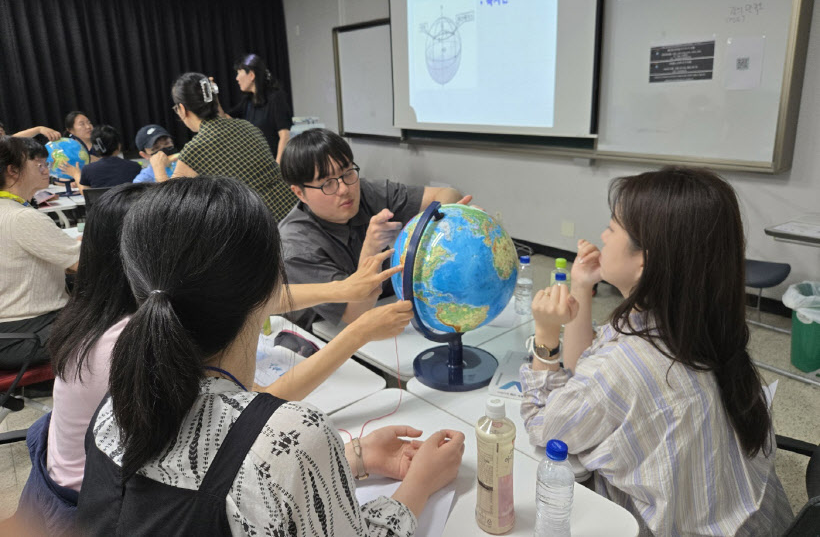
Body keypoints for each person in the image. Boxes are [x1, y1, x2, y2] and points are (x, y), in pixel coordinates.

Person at [76, 177, 465, 536]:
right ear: (272, 286)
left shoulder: (120, 404)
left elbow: (237, 483)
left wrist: (353, 458)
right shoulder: (290, 433)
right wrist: (420, 484)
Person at [519, 167, 792, 534]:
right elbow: (586, 370)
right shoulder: (695, 322)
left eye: (613, 227)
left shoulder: (627, 365)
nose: (602, 234)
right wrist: (583, 287)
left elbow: (546, 426)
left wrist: (546, 334)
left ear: (645, 260)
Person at [278, 128, 470, 328]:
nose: (344, 189)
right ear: (299, 193)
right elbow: (354, 314)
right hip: (327, 336)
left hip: (390, 309)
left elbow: (448, 194)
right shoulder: (295, 246)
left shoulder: (365, 193)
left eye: (348, 172)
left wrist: (450, 218)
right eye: (327, 183)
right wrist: (371, 249)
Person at [152, 72, 296, 222]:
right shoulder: (246, 127)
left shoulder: (195, 150)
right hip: (293, 212)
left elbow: (169, 206)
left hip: (263, 227)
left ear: (182, 109)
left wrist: (158, 168)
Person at [0, 137, 80, 369]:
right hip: (28, 333)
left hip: (9, 332)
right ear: (13, 171)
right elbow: (84, 263)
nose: (47, 170)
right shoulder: (21, 217)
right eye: (40, 166)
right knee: (113, 322)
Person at [222, 53, 292, 164]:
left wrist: (277, 168)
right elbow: (224, 118)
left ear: (251, 75)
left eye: (239, 73)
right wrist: (213, 96)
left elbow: (284, 135)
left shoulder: (276, 98)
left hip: (273, 167)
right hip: (256, 166)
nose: (236, 78)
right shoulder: (248, 101)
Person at [62, 125, 140, 192]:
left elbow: (85, 192)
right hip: (129, 209)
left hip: (102, 209)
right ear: (119, 146)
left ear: (96, 148)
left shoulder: (88, 169)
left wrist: (76, 174)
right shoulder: (135, 167)